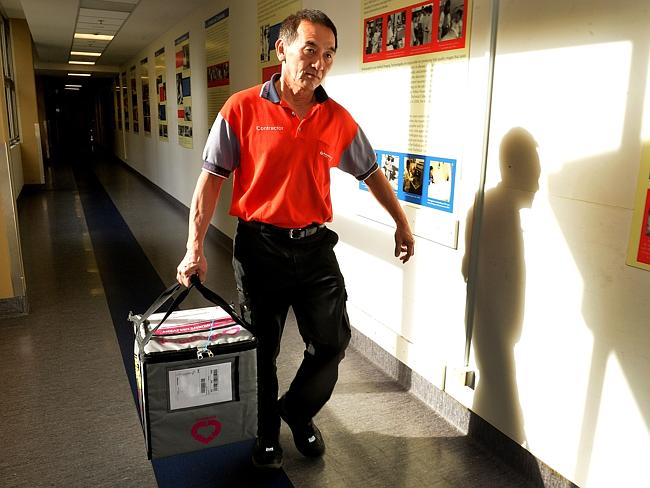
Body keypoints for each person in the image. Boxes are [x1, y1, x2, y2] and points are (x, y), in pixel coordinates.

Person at [176, 9, 414, 469]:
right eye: (310, 49)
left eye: (328, 55)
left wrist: (401, 222)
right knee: (262, 346)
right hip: (259, 246)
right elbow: (210, 182)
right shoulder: (242, 109)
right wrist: (194, 247)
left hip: (313, 246)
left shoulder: (336, 118)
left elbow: (371, 173)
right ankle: (266, 435)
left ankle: (297, 411)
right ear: (281, 49)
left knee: (331, 342)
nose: (319, 62)